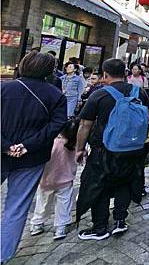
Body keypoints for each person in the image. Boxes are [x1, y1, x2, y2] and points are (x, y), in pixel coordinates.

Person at [1, 52, 68, 262]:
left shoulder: (3, 88)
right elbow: (56, 125)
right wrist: (26, 146)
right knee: (17, 208)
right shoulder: (55, 94)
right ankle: (3, 255)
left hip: (3, 151)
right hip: (31, 157)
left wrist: (6, 145)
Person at [75, 58, 149, 240]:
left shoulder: (99, 95)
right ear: (126, 73)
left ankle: (99, 227)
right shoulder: (139, 92)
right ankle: (120, 220)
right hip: (132, 148)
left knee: (99, 185)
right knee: (124, 182)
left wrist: (80, 148)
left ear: (105, 74)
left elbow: (85, 124)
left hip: (103, 149)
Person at [29, 119, 80, 241]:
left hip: (46, 180)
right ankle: (60, 227)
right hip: (66, 181)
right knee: (64, 204)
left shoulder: (52, 143)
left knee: (43, 203)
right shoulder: (75, 145)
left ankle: (37, 224)